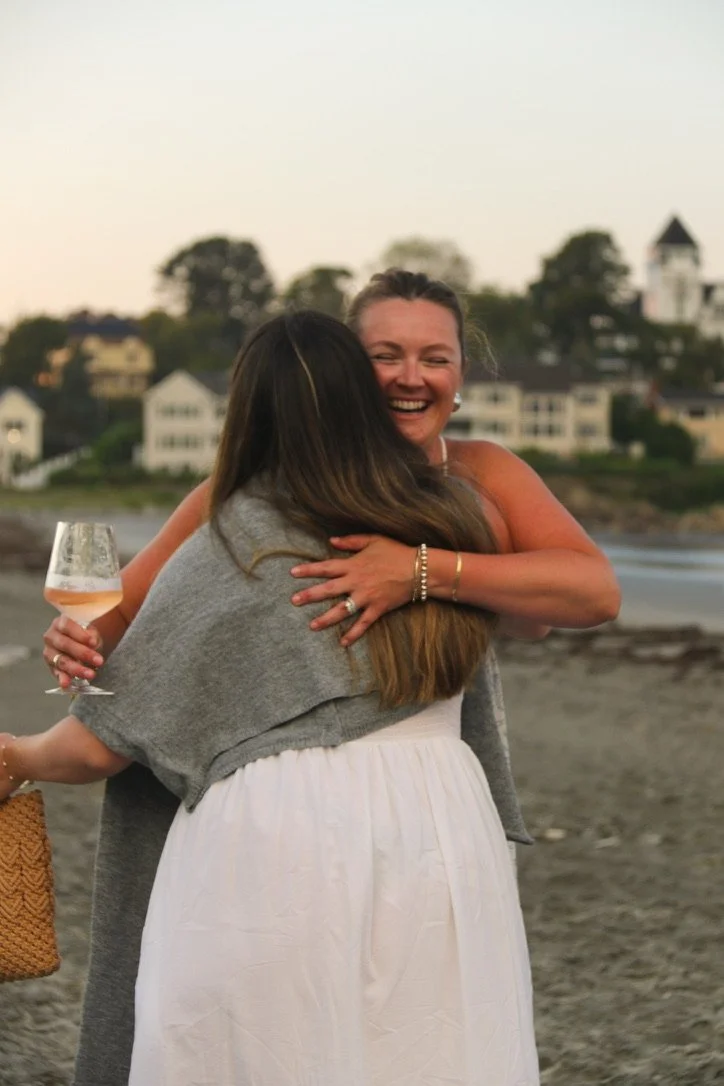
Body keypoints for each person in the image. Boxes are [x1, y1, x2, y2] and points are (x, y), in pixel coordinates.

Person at [43, 271, 620, 1084]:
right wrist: (77, 637)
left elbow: (588, 593)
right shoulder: (254, 491)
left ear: (461, 372)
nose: (412, 377)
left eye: (435, 358)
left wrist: (419, 571)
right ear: (347, 367)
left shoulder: (481, 477)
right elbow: (126, 611)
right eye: (386, 355)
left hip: (430, 804)